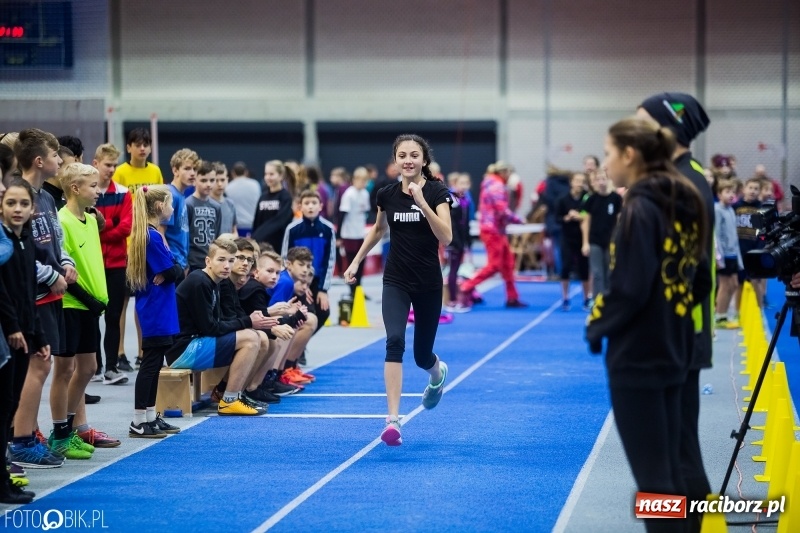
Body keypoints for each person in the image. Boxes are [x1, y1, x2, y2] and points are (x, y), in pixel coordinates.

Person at [586, 118, 711, 533]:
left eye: (607, 153)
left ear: (629, 155)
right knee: (672, 470)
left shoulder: (640, 205)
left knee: (654, 484)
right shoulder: (686, 197)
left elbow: (630, 286)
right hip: (676, 348)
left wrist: (597, 327)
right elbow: (701, 278)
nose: (605, 163)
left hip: (638, 356)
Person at [343, 134, 453, 446]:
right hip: (396, 280)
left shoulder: (437, 191)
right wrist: (355, 262)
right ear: (395, 159)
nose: (408, 160)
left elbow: (446, 237)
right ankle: (393, 419)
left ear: (423, 160)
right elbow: (379, 229)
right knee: (394, 341)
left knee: (421, 356)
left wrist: (422, 203)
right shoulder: (386, 194)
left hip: (429, 283)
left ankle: (437, 373)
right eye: (402, 154)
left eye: (414, 155)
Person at [637, 93, 714, 526]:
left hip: (677, 335)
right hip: (679, 332)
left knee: (675, 454)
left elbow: (686, 269)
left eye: (642, 121)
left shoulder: (683, 182)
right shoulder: (682, 176)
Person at [9, 129, 72, 469]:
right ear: (39, 160)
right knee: (38, 364)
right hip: (32, 294)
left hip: (52, 293)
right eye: (55, 155)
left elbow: (55, 241)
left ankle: (29, 432)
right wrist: (50, 276)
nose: (60, 160)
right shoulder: (19, 195)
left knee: (42, 363)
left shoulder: (46, 197)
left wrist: (65, 264)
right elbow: (19, 253)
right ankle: (20, 440)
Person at [54, 163, 120, 451]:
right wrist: (86, 298)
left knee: (89, 367)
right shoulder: (62, 220)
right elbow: (62, 268)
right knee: (65, 369)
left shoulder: (91, 220)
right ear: (75, 188)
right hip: (72, 303)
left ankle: (69, 428)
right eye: (92, 187)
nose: (98, 191)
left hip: (92, 307)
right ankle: (60, 433)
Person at [164, 238, 268, 416]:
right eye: (221, 260)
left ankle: (235, 394)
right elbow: (210, 328)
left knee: (253, 335)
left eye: (230, 260)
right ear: (208, 261)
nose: (227, 265)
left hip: (195, 342)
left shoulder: (216, 282)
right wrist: (248, 322)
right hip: (181, 350)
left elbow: (220, 322)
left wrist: (250, 323)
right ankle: (229, 400)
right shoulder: (199, 282)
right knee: (250, 338)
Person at [0, 179, 47, 503]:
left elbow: (29, 292)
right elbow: (1, 293)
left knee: (10, 407)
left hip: (23, 334)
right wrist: (14, 327)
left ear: (32, 209)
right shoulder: (2, 244)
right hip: (6, 336)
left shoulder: (26, 242)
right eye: (11, 203)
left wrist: (37, 334)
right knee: (2, 410)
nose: (17, 209)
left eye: (23, 204)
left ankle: (4, 477)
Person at [126, 185, 183, 438]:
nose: (172, 209)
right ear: (159, 206)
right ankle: (138, 420)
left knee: (156, 362)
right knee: (150, 364)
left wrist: (173, 269)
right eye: (170, 204)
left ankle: (150, 415)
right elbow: (174, 271)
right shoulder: (152, 236)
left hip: (159, 307)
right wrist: (175, 269)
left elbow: (171, 271)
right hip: (155, 308)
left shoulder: (152, 234)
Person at [458, 161, 527, 309]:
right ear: (502, 172)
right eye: (509, 173)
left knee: (508, 264)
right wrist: (518, 220)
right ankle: (466, 286)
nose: (510, 176)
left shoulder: (493, 184)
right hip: (492, 231)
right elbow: (502, 210)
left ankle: (512, 297)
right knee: (494, 265)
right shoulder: (496, 186)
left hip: (497, 230)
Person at [93, 143, 133, 383]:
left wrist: (101, 228)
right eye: (108, 164)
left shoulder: (124, 193)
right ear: (95, 163)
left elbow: (126, 228)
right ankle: (96, 368)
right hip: (93, 264)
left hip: (117, 264)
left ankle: (111, 367)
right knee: (92, 317)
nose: (111, 169)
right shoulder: (87, 192)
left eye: (114, 165)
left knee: (114, 315)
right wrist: (112, 226)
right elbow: (86, 228)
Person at [282, 190, 335, 331]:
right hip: (297, 280)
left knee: (324, 312)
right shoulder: (292, 229)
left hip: (318, 281)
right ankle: (296, 347)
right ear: (300, 206)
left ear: (321, 206)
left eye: (314, 203)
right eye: (306, 203)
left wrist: (323, 289)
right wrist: (297, 283)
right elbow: (284, 257)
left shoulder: (328, 229)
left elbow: (329, 260)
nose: (310, 206)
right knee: (304, 313)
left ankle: (302, 342)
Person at [581, 169, 622, 299]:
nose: (601, 182)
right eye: (598, 179)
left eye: (603, 179)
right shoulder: (591, 199)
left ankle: (609, 300)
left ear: (609, 180)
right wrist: (585, 242)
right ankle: (598, 300)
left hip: (610, 240)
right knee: (597, 273)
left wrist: (619, 239)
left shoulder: (616, 198)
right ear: (595, 183)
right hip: (595, 241)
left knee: (609, 272)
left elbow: (620, 220)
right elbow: (585, 222)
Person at [557, 172, 591, 311]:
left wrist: (580, 216)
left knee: (584, 269)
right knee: (565, 267)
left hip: (582, 237)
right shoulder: (563, 199)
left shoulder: (587, 198)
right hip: (567, 237)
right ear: (572, 182)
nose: (579, 184)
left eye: (582, 181)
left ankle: (586, 298)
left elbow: (589, 214)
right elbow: (557, 218)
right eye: (577, 181)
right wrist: (567, 217)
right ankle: (565, 298)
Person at [160, 148, 197, 274]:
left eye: (194, 169)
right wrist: (169, 265)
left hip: (181, 263)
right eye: (187, 169)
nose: (192, 173)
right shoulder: (171, 194)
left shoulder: (181, 196)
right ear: (175, 170)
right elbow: (160, 233)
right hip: (173, 263)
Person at [714, 179, 743, 329]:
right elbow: (716, 235)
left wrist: (739, 259)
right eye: (727, 192)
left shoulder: (731, 210)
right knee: (725, 286)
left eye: (733, 192)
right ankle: (720, 316)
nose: (731, 195)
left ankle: (724, 314)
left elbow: (734, 237)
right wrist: (718, 257)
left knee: (734, 284)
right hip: (723, 255)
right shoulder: (717, 210)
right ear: (719, 194)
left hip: (732, 254)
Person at [338, 167, 371, 297]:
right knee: (351, 262)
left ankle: (359, 289)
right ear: (355, 180)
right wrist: (339, 235)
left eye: (365, 181)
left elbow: (365, 212)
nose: (363, 184)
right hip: (349, 234)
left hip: (360, 233)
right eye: (361, 180)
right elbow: (342, 215)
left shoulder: (365, 194)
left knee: (361, 262)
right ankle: (351, 290)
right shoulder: (349, 194)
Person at [252, 160, 294, 254]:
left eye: (271, 174)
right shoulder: (263, 196)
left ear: (281, 176)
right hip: (261, 244)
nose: (268, 177)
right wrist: (254, 237)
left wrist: (260, 234)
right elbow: (257, 221)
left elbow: (281, 221)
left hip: (278, 245)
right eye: (266, 174)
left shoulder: (285, 196)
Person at [186, 161, 222, 272]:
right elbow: (184, 237)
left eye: (212, 180)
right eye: (203, 180)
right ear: (194, 181)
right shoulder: (188, 204)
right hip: (193, 261)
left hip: (211, 261)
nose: (208, 184)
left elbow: (217, 235)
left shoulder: (216, 206)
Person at [445, 173, 473, 312]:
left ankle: (460, 297)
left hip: (462, 241)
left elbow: (466, 224)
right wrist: (453, 242)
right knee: (453, 270)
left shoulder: (465, 201)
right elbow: (451, 224)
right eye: (461, 183)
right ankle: (452, 300)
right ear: (455, 184)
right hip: (453, 242)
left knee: (459, 270)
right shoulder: (452, 201)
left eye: (467, 183)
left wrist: (468, 242)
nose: (464, 186)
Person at [112, 128, 164, 195]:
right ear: (128, 148)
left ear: (150, 148)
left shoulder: (156, 171)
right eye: (138, 145)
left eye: (145, 145)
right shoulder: (119, 172)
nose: (142, 149)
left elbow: (161, 198)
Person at [225, 162, 260, 236]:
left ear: (233, 173)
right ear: (246, 172)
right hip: (253, 226)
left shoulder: (228, 187)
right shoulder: (255, 184)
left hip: (236, 228)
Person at [211, 162, 238, 236]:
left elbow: (234, 231)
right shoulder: (204, 203)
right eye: (216, 180)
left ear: (227, 180)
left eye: (222, 180)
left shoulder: (230, 204)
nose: (220, 184)